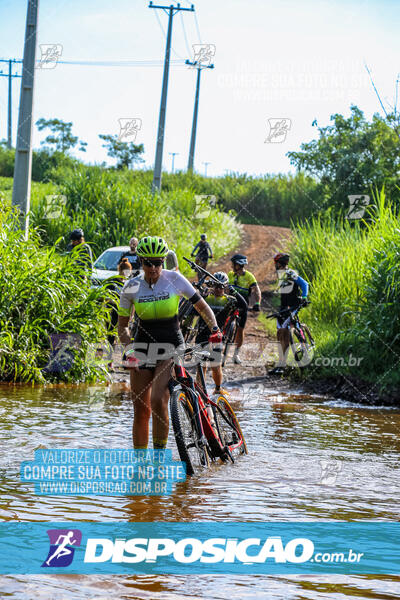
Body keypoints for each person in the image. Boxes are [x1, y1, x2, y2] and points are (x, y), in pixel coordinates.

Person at [117, 235, 222, 450]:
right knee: (140, 409)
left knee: (157, 399)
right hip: (142, 347)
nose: (154, 267)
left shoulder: (175, 279)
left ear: (163, 261)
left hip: (171, 346)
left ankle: (158, 457)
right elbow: (122, 327)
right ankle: (140, 464)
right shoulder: (131, 287)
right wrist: (129, 351)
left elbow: (202, 307)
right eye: (148, 262)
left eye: (158, 262)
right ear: (141, 261)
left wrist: (214, 329)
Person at [195, 272, 247, 394]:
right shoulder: (205, 298)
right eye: (216, 286)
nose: (218, 289)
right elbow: (193, 308)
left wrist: (233, 290)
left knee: (215, 366)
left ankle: (218, 389)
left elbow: (244, 305)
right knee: (201, 366)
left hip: (217, 337)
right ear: (212, 285)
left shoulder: (229, 300)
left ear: (225, 287)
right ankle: (200, 390)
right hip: (202, 335)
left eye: (221, 287)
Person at [268, 252, 309, 375]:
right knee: (279, 333)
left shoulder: (290, 273)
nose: (275, 265)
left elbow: (304, 284)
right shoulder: (281, 274)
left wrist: (304, 296)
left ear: (279, 263)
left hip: (293, 305)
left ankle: (282, 364)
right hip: (283, 307)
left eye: (276, 263)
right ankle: (281, 362)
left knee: (284, 331)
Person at [227, 254, 262, 364]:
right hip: (230, 303)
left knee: (240, 329)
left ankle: (236, 354)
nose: (231, 266)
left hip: (243, 305)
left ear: (238, 265)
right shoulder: (230, 275)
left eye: (233, 264)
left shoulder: (249, 276)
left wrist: (257, 303)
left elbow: (256, 290)